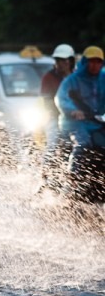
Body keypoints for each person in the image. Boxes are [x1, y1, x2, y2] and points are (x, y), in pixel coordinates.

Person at [55, 45, 105, 193]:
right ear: (84, 62)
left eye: (98, 61)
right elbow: (61, 98)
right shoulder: (72, 80)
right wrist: (73, 111)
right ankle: (72, 177)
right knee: (82, 143)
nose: (94, 65)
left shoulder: (103, 79)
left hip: (97, 122)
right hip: (74, 123)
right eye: (91, 61)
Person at [37, 43, 75, 191]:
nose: (61, 63)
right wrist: (62, 112)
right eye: (59, 60)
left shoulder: (76, 77)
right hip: (54, 117)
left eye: (65, 60)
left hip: (74, 119)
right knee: (53, 145)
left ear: (71, 61)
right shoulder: (48, 77)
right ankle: (44, 179)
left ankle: (72, 181)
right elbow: (47, 101)